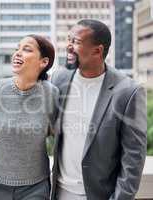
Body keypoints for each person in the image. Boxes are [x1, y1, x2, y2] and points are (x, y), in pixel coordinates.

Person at [51, 19, 147, 200]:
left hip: (100, 195)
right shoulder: (59, 78)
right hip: (58, 192)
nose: (69, 46)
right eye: (69, 39)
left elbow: (133, 158)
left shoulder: (128, 92)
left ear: (98, 50)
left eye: (76, 42)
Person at [0, 35, 59, 200]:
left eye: (26, 49)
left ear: (43, 62)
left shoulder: (51, 95)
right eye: (17, 48)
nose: (17, 53)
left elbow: (58, 136)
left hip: (36, 187)